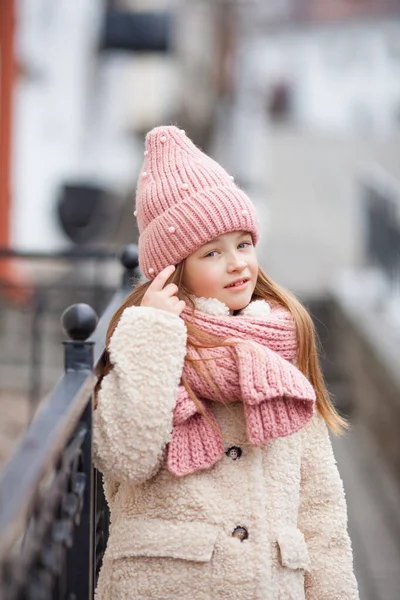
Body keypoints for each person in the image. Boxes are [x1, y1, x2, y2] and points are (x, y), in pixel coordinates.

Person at [93, 125, 359, 600]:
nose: (237, 263)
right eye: (212, 252)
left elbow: (320, 510)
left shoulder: (284, 345)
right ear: (175, 271)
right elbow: (123, 456)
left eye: (243, 243)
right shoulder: (149, 339)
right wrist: (155, 333)